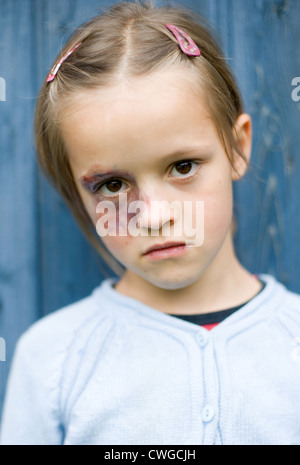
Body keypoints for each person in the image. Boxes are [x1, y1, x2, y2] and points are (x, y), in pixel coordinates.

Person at [1, 0, 300, 446]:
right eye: (112, 184)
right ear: (77, 192)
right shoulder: (51, 358)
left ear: (237, 148)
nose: (155, 216)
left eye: (183, 166)